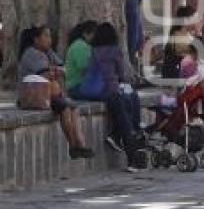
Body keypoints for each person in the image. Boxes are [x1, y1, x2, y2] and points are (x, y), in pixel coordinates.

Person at [72, 23, 145, 169]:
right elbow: (121, 74)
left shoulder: (94, 51)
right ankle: (132, 156)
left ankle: (116, 136)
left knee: (126, 105)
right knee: (126, 116)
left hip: (93, 92)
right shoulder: (115, 51)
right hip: (110, 91)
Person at [18, 26, 94, 159]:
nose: (49, 40)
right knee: (65, 109)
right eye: (46, 36)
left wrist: (56, 71)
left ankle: (79, 143)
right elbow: (47, 74)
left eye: (50, 36)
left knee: (73, 108)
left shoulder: (49, 53)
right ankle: (73, 146)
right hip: (36, 97)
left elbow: (62, 68)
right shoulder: (30, 53)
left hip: (53, 94)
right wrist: (55, 71)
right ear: (36, 39)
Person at [64, 21, 98, 94]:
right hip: (76, 87)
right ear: (86, 33)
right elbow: (84, 69)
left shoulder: (85, 46)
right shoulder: (80, 46)